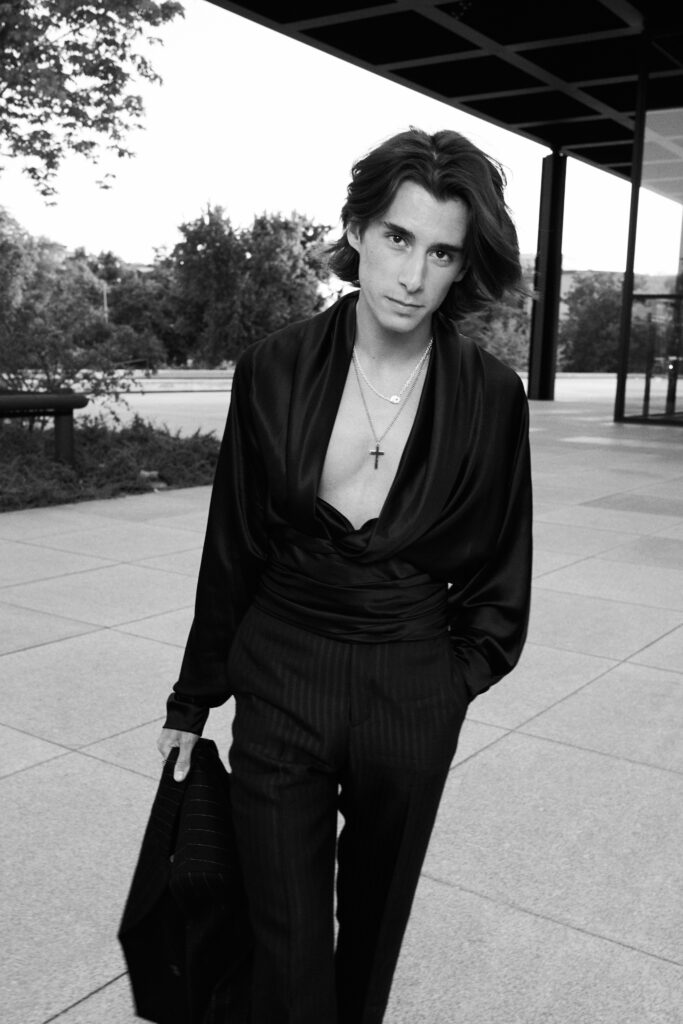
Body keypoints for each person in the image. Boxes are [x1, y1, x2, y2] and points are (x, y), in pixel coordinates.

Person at [158, 127, 532, 1024]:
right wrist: (192, 700)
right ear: (357, 230)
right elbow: (231, 545)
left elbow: (501, 570)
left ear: (460, 267)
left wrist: (447, 683)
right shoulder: (275, 369)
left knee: (371, 931)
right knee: (284, 941)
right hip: (282, 671)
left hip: (409, 686)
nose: (412, 275)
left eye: (441, 253)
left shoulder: (489, 396)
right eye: (397, 238)